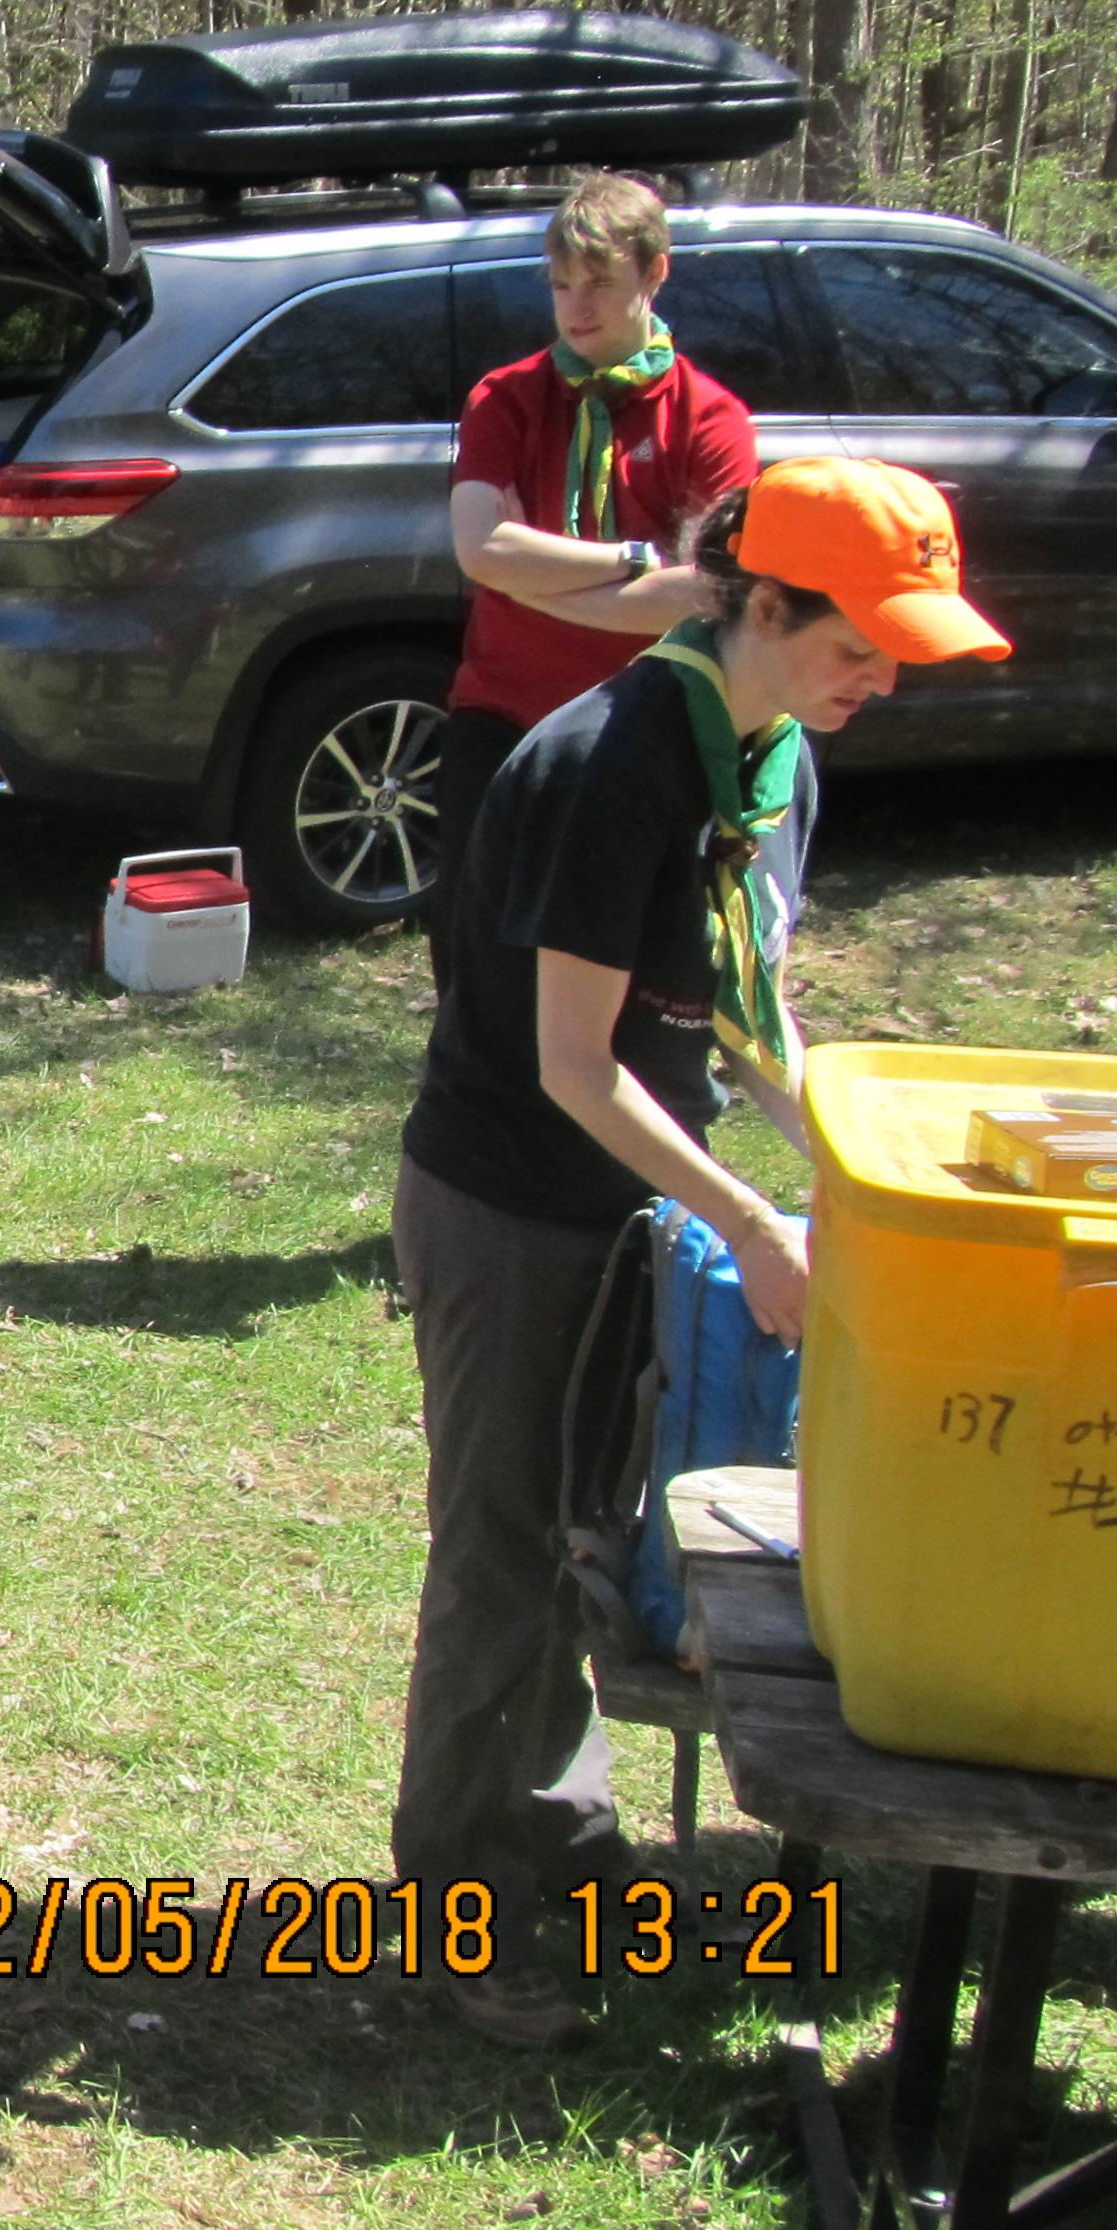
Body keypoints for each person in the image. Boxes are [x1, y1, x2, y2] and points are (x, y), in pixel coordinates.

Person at [395, 458, 1004, 2048]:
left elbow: (745, 1013)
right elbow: (573, 1065)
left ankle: (566, 1852)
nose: (882, 678)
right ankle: (456, 1909)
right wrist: (752, 1224)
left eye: (897, 652)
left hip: (633, 1206)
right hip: (513, 1206)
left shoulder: (774, 760)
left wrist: (865, 1181)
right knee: (502, 1555)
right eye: (857, 642)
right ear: (760, 603)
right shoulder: (615, 765)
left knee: (597, 1548)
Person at [441, 171, 759, 871]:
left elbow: (708, 595)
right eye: (560, 286)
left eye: (598, 284)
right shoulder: (506, 399)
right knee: (482, 966)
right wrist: (640, 562)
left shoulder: (711, 418)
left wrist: (528, 578)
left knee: (623, 961)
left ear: (655, 273)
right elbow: (480, 550)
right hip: (503, 719)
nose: (575, 309)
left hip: (645, 718)